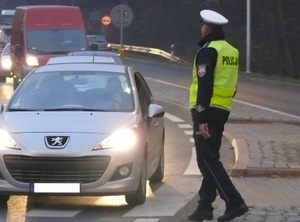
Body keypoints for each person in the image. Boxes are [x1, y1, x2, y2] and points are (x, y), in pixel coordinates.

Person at [188, 9, 248, 222]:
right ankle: (204, 207)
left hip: (207, 111)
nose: (201, 28)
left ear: (206, 28)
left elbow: (205, 84)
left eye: (202, 25)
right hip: (222, 109)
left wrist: (201, 115)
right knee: (210, 159)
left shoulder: (208, 50)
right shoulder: (231, 50)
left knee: (207, 159)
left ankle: (234, 202)